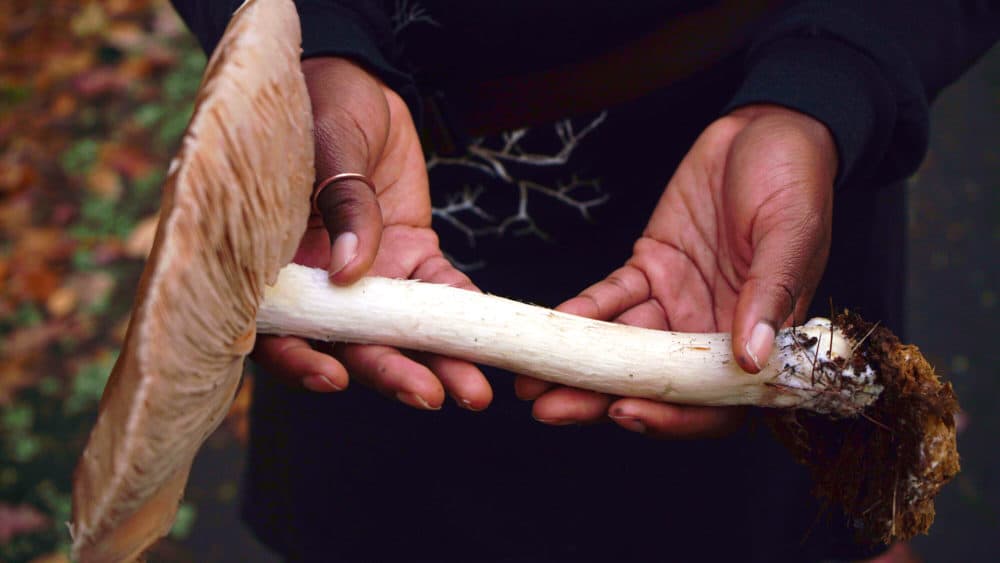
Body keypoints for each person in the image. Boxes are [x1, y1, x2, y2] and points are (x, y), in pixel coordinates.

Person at [171, 1, 998, 561]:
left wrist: (833, 83)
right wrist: (309, 38)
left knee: (806, 522)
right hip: (354, 203)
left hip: (754, 172)